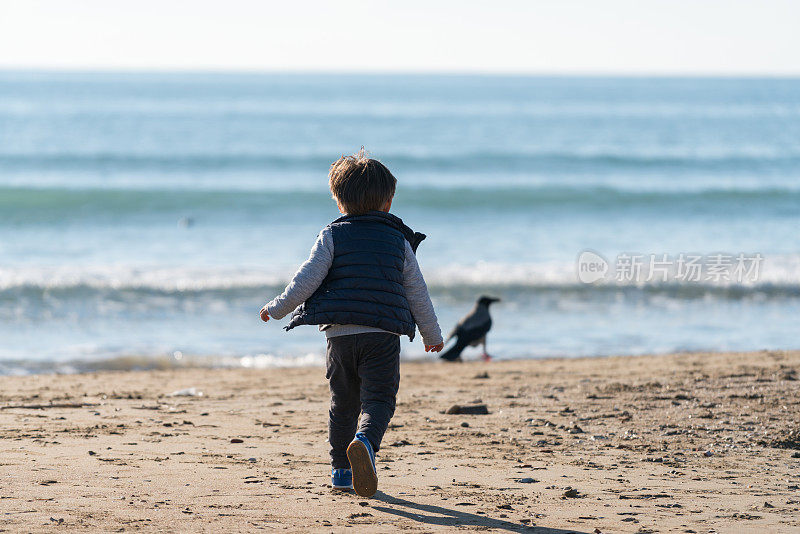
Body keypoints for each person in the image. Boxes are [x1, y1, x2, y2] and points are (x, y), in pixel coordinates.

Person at [259, 148, 443, 497]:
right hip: (382, 335)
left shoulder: (332, 234)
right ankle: (366, 443)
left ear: (339, 201)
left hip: (340, 336)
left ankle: (341, 473)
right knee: (378, 401)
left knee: (342, 402)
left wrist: (278, 308)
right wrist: (431, 333)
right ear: (388, 202)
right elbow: (416, 290)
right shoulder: (398, 240)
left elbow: (306, 280)